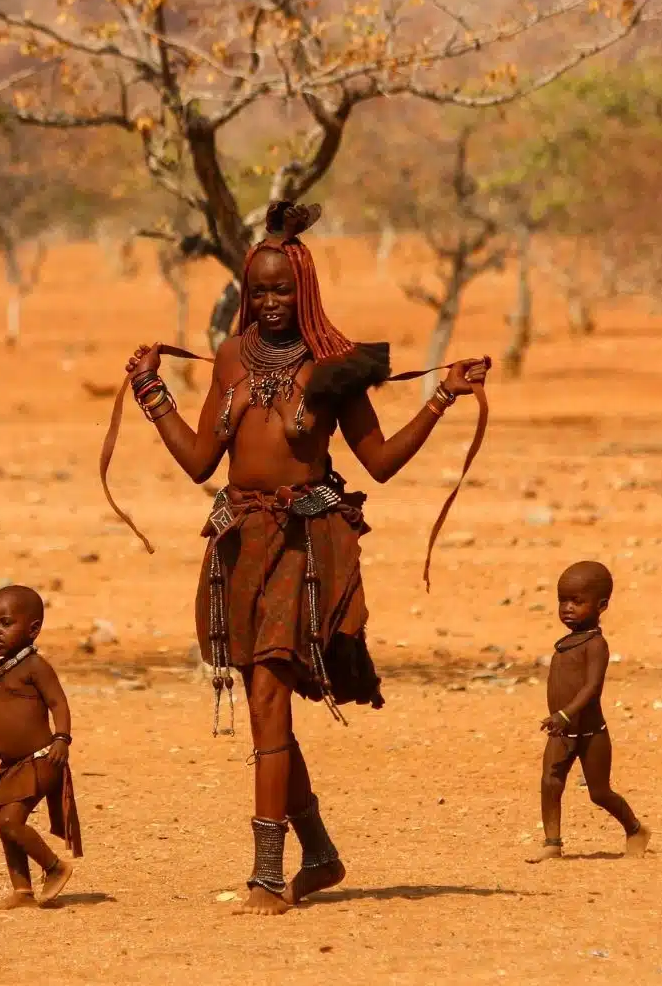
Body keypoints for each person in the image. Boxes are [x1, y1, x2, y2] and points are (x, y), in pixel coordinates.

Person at [123, 202, 489, 916]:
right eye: (259, 291)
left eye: (283, 291)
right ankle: (318, 853)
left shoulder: (336, 365)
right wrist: (151, 391)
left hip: (302, 546)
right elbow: (199, 461)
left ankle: (268, 876)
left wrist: (442, 396)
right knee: (267, 710)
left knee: (267, 699)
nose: (270, 303)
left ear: (306, 290)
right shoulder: (230, 358)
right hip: (239, 543)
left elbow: (379, 461)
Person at [0, 585, 82, 909]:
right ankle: (22, 891)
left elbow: (59, 703)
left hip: (41, 760)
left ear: (33, 629)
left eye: (5, 623)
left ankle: (55, 867)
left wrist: (62, 739)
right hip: (12, 766)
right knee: (6, 825)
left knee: (9, 822)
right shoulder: (2, 671)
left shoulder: (35, 667)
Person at [527, 561, 650, 863]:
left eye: (577, 601)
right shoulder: (566, 644)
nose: (567, 608)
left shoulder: (596, 645)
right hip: (562, 731)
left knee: (599, 792)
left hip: (591, 732)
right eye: (562, 601)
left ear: (601, 605)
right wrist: (560, 720)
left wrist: (565, 714)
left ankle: (635, 829)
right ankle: (552, 844)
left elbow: (592, 688)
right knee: (550, 783)